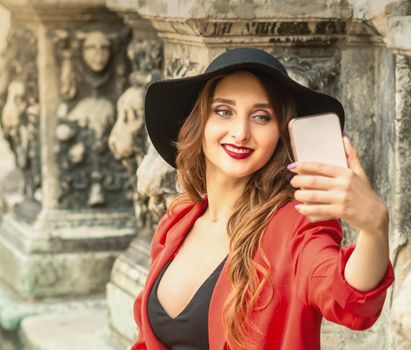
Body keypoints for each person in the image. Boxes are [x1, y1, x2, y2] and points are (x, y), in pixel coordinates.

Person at [132, 47, 394, 350]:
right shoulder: (177, 219)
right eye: (224, 111)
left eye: (261, 116)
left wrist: (374, 228)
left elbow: (347, 297)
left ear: (281, 133)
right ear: (199, 121)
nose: (241, 132)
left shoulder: (295, 226)